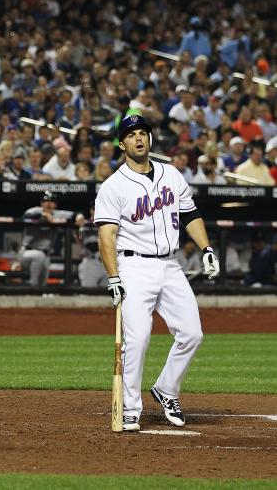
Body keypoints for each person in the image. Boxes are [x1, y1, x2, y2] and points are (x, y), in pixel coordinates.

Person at [95, 114, 220, 432]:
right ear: (122, 144)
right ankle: (131, 408)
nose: (139, 138)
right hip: (134, 265)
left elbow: (190, 213)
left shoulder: (171, 174)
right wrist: (114, 277)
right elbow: (106, 235)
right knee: (137, 338)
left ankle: (166, 389)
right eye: (132, 134)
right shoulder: (113, 186)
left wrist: (205, 248)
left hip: (170, 264)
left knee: (192, 333)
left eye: (143, 133)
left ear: (150, 139)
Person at [19, 191, 76, 286]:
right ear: (41, 203)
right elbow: (25, 217)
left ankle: (37, 292)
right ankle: (32, 285)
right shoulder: (35, 210)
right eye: (46, 201)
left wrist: (79, 216)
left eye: (52, 201)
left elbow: (75, 215)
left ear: (55, 204)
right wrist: (43, 215)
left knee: (43, 284)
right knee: (39, 256)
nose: (49, 203)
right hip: (27, 253)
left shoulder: (57, 214)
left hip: (46, 254)